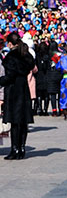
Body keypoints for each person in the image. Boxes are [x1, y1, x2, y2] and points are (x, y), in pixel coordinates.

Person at [0, 32, 35, 160]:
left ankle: (15, 149)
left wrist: (1, 81)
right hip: (24, 88)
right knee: (23, 121)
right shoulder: (25, 54)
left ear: (10, 43)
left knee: (15, 122)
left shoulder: (11, 57)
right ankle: (22, 148)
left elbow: (10, 76)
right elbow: (31, 66)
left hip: (14, 90)